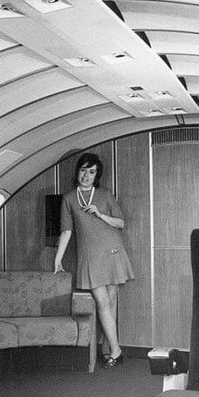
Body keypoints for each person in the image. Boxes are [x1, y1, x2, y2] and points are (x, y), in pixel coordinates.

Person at [53, 153, 134, 367]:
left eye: (92, 172)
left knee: (111, 301)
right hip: (90, 256)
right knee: (102, 301)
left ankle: (109, 349)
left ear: (97, 175)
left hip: (112, 251)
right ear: (77, 171)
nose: (86, 175)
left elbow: (120, 223)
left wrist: (100, 214)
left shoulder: (105, 194)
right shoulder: (69, 198)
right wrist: (58, 259)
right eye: (83, 170)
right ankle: (116, 351)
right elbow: (66, 231)